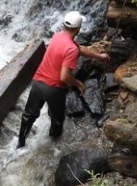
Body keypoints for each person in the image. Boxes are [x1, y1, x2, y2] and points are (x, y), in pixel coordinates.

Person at [17, 11, 110, 148]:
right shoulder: (71, 49)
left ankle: (20, 144)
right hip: (53, 89)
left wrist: (100, 56)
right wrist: (78, 83)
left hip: (37, 83)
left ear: (64, 25)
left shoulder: (57, 36)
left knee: (28, 115)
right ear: (78, 28)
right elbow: (64, 76)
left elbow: (81, 49)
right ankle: (53, 146)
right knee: (57, 119)